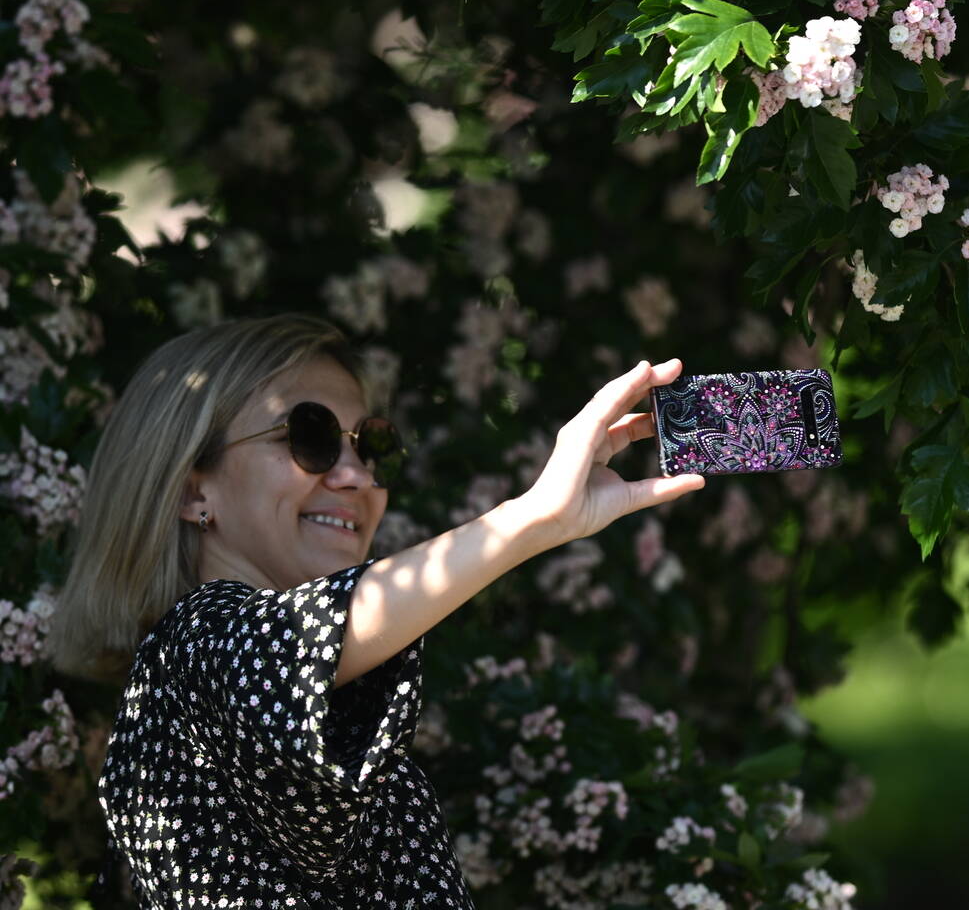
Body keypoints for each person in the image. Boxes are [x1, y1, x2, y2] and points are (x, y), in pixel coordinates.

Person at [47, 313, 705, 908]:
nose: (357, 476)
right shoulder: (190, 649)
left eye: (373, 447)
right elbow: (294, 641)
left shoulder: (302, 715)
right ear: (194, 491)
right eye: (309, 438)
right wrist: (535, 518)